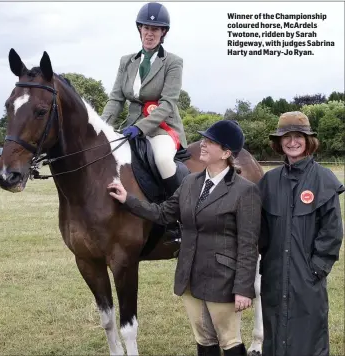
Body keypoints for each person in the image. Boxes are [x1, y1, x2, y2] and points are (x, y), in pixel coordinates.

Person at [108, 120, 261, 356]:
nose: (203, 145)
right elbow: (162, 213)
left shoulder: (245, 191)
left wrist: (243, 287)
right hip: (190, 275)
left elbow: (249, 244)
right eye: (205, 140)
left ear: (227, 153)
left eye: (210, 142)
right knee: (204, 340)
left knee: (229, 341)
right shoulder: (190, 181)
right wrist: (128, 199)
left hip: (223, 280)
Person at [258, 111, 345, 356]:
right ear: (279, 142)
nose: (292, 142)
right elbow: (260, 230)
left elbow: (332, 232)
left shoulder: (323, 179)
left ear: (308, 141)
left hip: (307, 278)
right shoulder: (269, 181)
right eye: (286, 136)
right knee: (274, 334)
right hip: (274, 276)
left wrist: (316, 269)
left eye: (299, 136)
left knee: (309, 336)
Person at [101, 2, 187, 196]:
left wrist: (141, 128)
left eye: (155, 29)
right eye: (146, 28)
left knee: (163, 160)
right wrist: (101, 127)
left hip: (161, 129)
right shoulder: (126, 61)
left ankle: (175, 215)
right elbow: (116, 99)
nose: (150, 33)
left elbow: (168, 103)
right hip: (129, 128)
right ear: (140, 28)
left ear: (163, 32)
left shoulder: (173, 62)